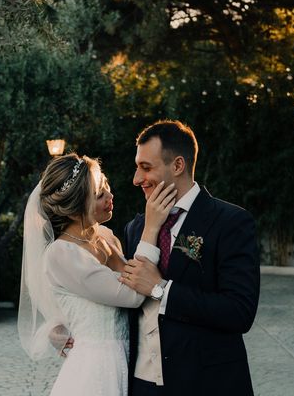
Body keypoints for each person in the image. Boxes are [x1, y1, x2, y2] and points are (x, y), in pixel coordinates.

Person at [120, 120, 260, 395]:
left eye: (146, 167)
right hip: (141, 383)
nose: (136, 179)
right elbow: (125, 298)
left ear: (178, 166)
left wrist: (161, 289)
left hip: (206, 383)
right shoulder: (135, 227)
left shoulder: (230, 222)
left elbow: (239, 312)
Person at [18, 153, 177, 396]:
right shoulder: (61, 254)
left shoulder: (106, 236)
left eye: (107, 187)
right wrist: (152, 227)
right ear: (73, 209)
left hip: (131, 361)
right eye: (99, 194)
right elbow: (132, 295)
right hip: (96, 370)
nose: (110, 197)